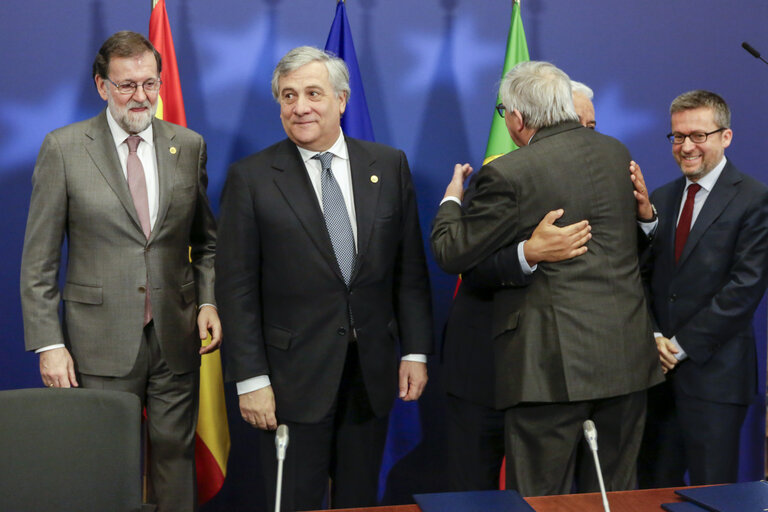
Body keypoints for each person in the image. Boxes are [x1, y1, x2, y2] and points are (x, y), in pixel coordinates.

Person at [215, 46, 433, 511]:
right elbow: (235, 290)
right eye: (288, 96)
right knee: (293, 499)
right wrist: (250, 378)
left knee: (359, 500)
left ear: (342, 100)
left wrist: (414, 350)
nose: (300, 107)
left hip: (369, 374)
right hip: (289, 379)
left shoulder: (388, 166)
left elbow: (409, 270)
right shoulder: (251, 178)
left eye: (313, 93)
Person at [431, 60, 662, 496]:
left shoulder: (510, 172)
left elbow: (451, 251)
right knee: (614, 494)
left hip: (552, 369)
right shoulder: (616, 153)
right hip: (626, 361)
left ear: (516, 118)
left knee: (541, 497)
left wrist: (450, 201)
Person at [19, 31, 221, 511]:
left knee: (176, 456)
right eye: (127, 85)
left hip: (175, 334)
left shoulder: (188, 146)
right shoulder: (64, 148)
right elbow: (39, 261)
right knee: (104, 460)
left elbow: (206, 241)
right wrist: (50, 345)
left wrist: (208, 300)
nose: (141, 97)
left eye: (150, 84)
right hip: (96, 340)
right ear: (101, 86)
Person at [441, 79, 600, 492]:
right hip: (485, 366)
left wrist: (647, 218)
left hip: (561, 372)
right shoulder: (501, 178)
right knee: (472, 490)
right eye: (573, 123)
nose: (579, 136)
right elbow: (465, 264)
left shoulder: (608, 182)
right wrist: (527, 253)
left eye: (589, 127)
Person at [634, 90, 768, 486]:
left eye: (698, 135)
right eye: (677, 136)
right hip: (655, 381)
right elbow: (643, 276)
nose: (686, 146)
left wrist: (676, 348)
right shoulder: (662, 196)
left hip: (715, 381)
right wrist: (655, 335)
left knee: (715, 494)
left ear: (725, 137)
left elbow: (743, 289)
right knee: (650, 492)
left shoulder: (755, 199)